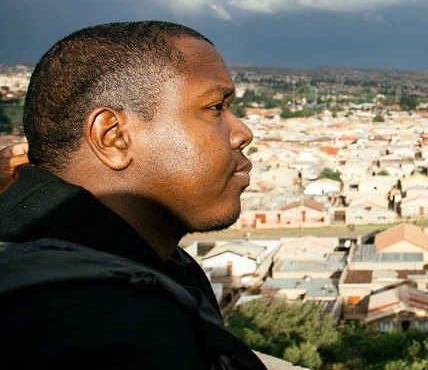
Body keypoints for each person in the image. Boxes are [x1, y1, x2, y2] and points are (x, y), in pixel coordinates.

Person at [0, 22, 267, 369]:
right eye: (216, 107)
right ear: (112, 137)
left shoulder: (148, 268)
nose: (243, 133)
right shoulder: (94, 323)